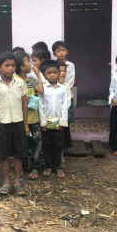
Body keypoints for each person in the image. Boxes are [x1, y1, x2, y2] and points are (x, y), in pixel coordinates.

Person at [0, 50, 29, 196]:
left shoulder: (20, 84)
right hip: (2, 124)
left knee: (18, 154)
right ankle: (6, 182)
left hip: (18, 123)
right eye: (7, 65)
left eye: (13, 65)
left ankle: (17, 182)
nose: (11, 68)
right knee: (3, 155)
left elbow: (24, 104)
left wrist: (25, 125)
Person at [14, 51, 44, 180]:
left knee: (36, 142)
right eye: (28, 61)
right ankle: (23, 166)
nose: (31, 64)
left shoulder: (31, 79)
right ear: (21, 66)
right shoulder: (14, 81)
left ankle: (35, 167)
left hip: (33, 117)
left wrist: (38, 75)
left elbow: (41, 91)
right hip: (19, 119)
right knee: (21, 143)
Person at [39, 60, 69, 178]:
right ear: (44, 74)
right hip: (47, 121)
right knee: (47, 144)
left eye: (55, 72)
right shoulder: (43, 88)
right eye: (49, 73)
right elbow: (40, 106)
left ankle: (57, 167)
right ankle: (48, 166)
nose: (52, 75)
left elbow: (64, 105)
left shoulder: (62, 88)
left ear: (59, 74)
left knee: (58, 144)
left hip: (58, 121)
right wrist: (43, 122)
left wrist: (62, 122)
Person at [52, 41, 75, 169]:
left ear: (67, 51)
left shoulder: (71, 65)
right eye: (58, 50)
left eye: (63, 50)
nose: (61, 52)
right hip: (54, 98)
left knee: (64, 125)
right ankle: (57, 152)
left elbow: (70, 81)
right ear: (54, 53)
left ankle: (63, 152)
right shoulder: (53, 65)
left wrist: (61, 86)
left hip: (66, 96)